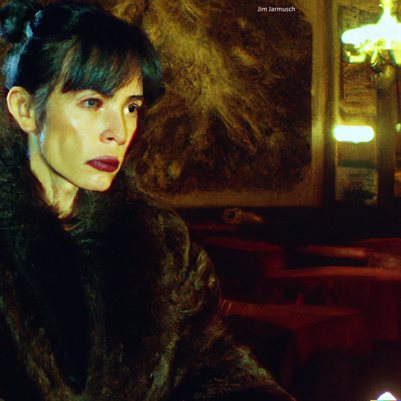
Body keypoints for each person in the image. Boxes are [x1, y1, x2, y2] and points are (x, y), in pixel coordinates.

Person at [0, 1, 294, 400]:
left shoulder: (161, 242)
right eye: (92, 102)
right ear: (25, 110)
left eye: (131, 107)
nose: (119, 131)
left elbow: (213, 366)